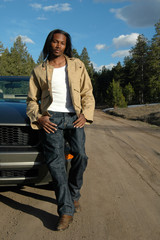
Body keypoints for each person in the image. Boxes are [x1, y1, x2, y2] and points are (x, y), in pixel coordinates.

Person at [26, 29, 95, 231]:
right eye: (55, 42)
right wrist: (39, 117)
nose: (58, 46)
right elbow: (31, 100)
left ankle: (74, 193)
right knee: (56, 164)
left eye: (62, 43)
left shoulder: (77, 65)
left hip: (74, 118)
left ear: (66, 46)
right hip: (52, 119)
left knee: (80, 156)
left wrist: (86, 114)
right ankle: (65, 210)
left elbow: (87, 93)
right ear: (49, 43)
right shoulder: (39, 70)